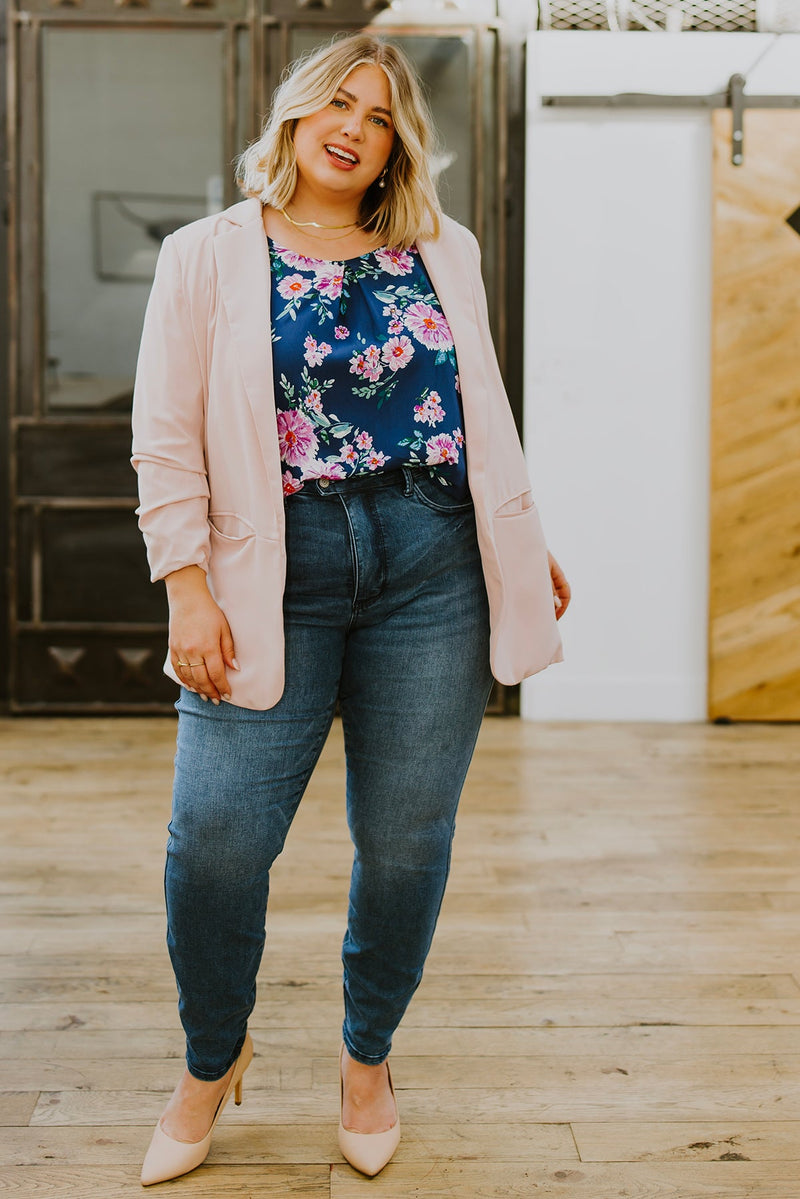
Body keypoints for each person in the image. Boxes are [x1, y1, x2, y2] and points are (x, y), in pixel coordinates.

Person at [131, 32, 570, 1187]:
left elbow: (475, 406)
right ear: (291, 117)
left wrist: (521, 541)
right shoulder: (206, 256)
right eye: (337, 102)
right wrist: (184, 585)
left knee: (406, 842)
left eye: (377, 115)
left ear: (395, 145)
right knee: (216, 843)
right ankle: (209, 1060)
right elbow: (166, 434)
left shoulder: (444, 249)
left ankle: (366, 1058)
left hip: (434, 563)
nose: (353, 126)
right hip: (270, 564)